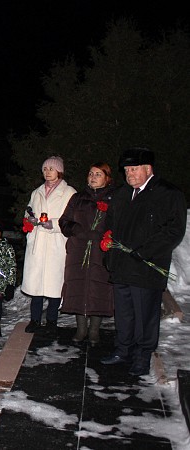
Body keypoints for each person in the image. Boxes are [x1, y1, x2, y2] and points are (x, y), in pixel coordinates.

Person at [101, 148, 186, 377]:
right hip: (121, 266)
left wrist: (145, 252)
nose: (129, 174)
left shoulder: (168, 194)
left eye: (134, 169)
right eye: (127, 170)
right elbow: (110, 225)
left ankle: (142, 355)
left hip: (146, 267)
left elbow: (174, 231)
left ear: (148, 168)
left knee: (144, 315)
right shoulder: (121, 193)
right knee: (124, 313)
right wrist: (108, 250)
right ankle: (122, 350)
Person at [59, 163, 115, 346]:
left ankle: (94, 330)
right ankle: (81, 328)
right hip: (78, 250)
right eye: (90, 173)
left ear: (107, 178)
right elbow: (64, 222)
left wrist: (104, 236)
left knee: (98, 288)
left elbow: (118, 224)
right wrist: (80, 232)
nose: (93, 177)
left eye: (98, 174)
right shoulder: (77, 198)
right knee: (78, 288)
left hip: (100, 251)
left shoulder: (113, 199)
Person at [21, 156, 76, 335]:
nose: (47, 173)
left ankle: (52, 320)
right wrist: (29, 219)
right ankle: (35, 320)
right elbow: (29, 209)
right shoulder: (36, 192)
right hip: (38, 242)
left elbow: (72, 219)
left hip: (55, 243)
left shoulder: (69, 193)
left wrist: (52, 223)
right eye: (45, 169)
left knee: (54, 285)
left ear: (59, 171)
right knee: (36, 284)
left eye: (51, 169)